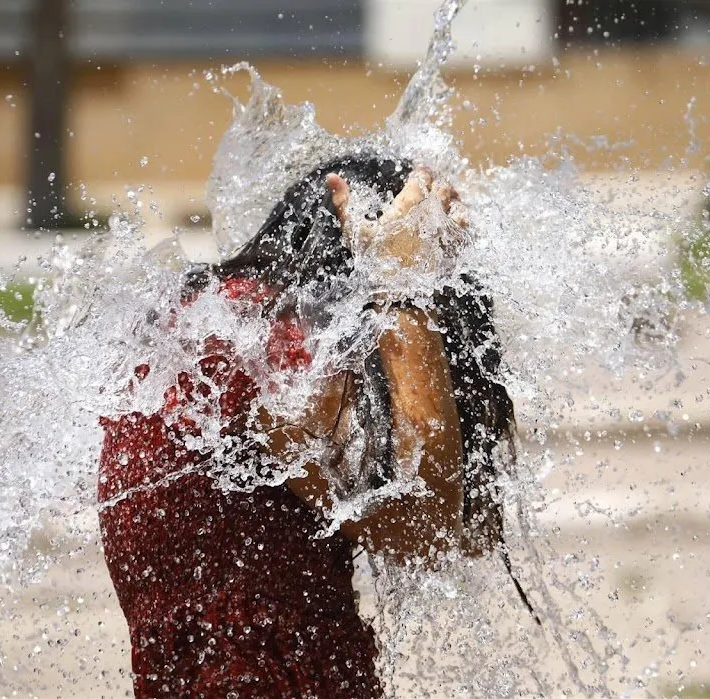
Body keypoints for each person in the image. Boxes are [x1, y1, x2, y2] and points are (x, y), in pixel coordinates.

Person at [97, 157, 517, 698]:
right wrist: (404, 288)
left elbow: (474, 524)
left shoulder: (197, 323)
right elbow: (427, 529)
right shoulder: (267, 352)